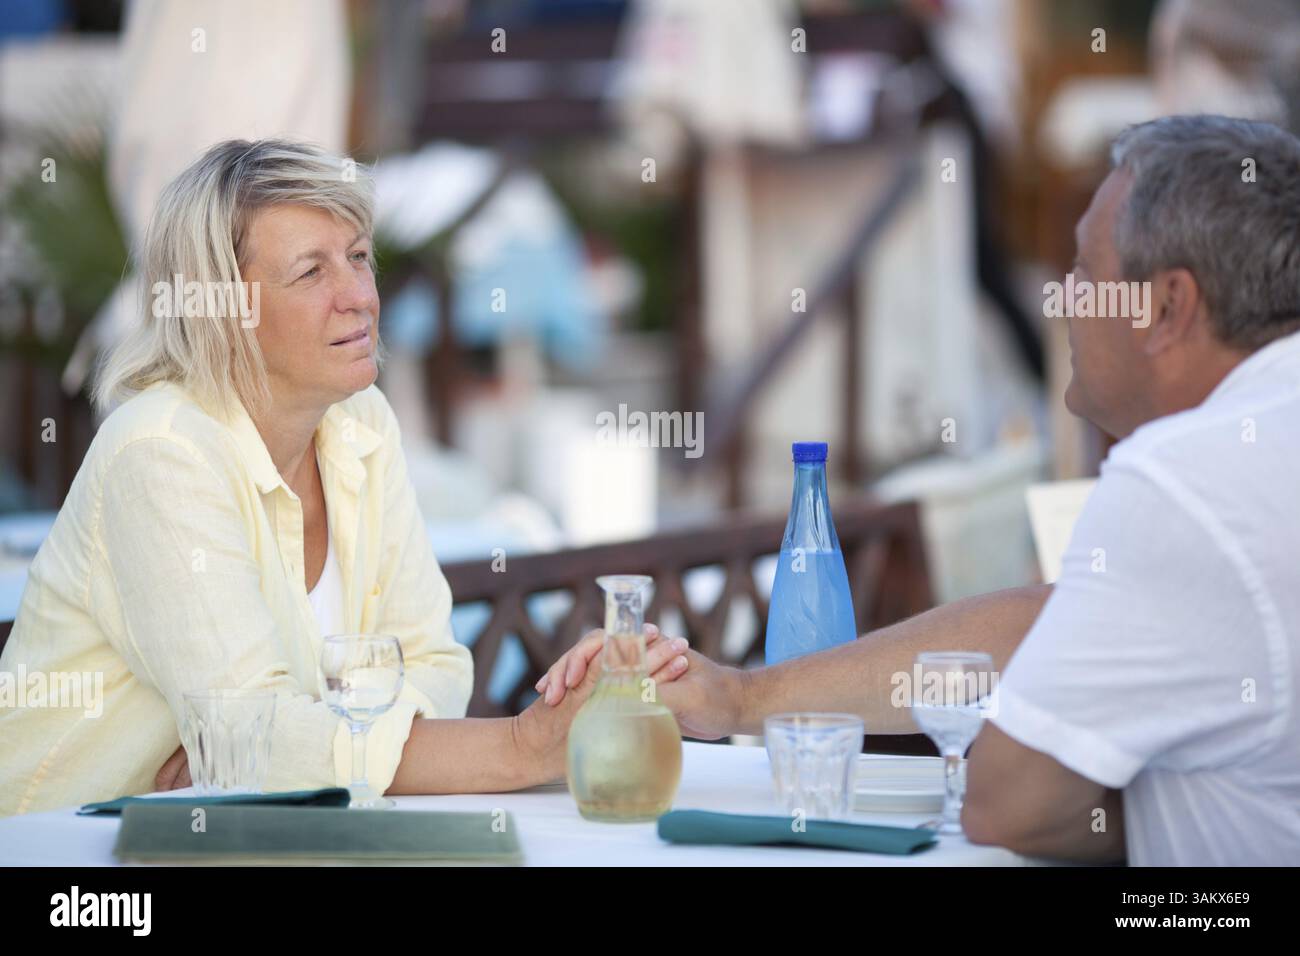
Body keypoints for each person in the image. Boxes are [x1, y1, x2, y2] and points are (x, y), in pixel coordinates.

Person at [545, 115, 1300, 866]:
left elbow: (1006, 804)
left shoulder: (1184, 480)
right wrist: (743, 699)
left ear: (1168, 307)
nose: (1061, 301)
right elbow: (1057, 621)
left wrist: (1145, 800)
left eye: (1085, 273)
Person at [0, 139, 689, 816]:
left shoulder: (360, 422)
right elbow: (254, 736)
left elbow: (436, 666)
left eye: (359, 257)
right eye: (311, 273)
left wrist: (294, 754)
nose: (360, 295)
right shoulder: (159, 452)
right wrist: (522, 745)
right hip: (57, 846)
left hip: (244, 838)